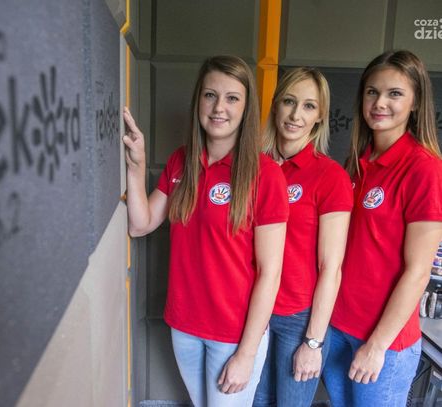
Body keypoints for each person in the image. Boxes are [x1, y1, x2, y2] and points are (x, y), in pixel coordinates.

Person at [122, 55, 289, 406]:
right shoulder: (181, 161)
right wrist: (137, 166)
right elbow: (140, 224)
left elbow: (270, 273)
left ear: (246, 108)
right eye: (210, 95)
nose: (218, 108)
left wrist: (246, 353)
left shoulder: (266, 175)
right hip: (184, 326)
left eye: (232, 98)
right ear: (198, 99)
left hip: (233, 334)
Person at [323, 50, 442, 406]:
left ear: (415, 102)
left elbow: (418, 272)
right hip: (338, 328)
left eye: (395, 94)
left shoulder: (424, 168)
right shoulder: (357, 164)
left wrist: (376, 345)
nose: (379, 103)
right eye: (372, 92)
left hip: (383, 342)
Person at [252, 67, 353, 407]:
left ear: (320, 115)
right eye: (289, 101)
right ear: (275, 105)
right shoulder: (253, 168)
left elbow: (331, 268)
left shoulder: (330, 176)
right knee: (254, 402)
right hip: (250, 310)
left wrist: (313, 342)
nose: (296, 115)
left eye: (309, 106)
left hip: (296, 318)